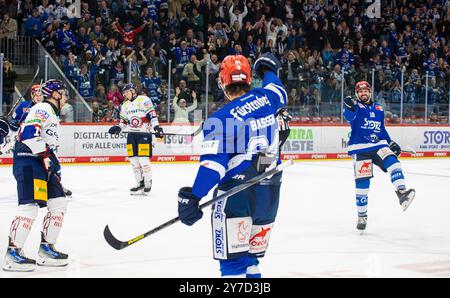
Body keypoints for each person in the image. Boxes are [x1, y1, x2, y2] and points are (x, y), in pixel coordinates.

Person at [177, 53, 287, 278]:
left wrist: (194, 196)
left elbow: (213, 166)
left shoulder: (221, 117)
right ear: (248, 80)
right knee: (251, 261)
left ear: (223, 82)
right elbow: (276, 85)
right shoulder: (269, 97)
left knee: (233, 266)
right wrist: (267, 70)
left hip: (237, 195)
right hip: (270, 192)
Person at [3, 79, 70, 272]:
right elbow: (29, 134)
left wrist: (52, 165)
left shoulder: (52, 113)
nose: (66, 97)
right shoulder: (43, 108)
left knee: (58, 203)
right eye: (63, 93)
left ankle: (47, 249)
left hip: (41, 164)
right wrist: (47, 156)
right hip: (29, 161)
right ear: (55, 95)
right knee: (29, 207)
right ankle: (13, 254)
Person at [343, 81, 416, 232]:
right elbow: (349, 117)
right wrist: (348, 106)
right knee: (363, 184)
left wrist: (390, 142)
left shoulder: (379, 109)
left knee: (394, 162)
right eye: (360, 91)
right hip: (360, 148)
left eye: (365, 90)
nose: (363, 93)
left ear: (370, 92)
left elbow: (382, 129)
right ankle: (362, 216)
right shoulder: (355, 106)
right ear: (357, 93)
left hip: (379, 145)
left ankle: (402, 193)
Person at [108, 83, 164, 196]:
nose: (125, 94)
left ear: (133, 91)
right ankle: (139, 183)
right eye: (124, 92)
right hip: (131, 135)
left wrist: (157, 127)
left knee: (143, 159)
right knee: (134, 161)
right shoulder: (125, 105)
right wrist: (118, 128)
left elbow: (152, 115)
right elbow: (123, 122)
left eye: (127, 91)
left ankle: (148, 182)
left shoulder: (144, 99)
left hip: (144, 134)